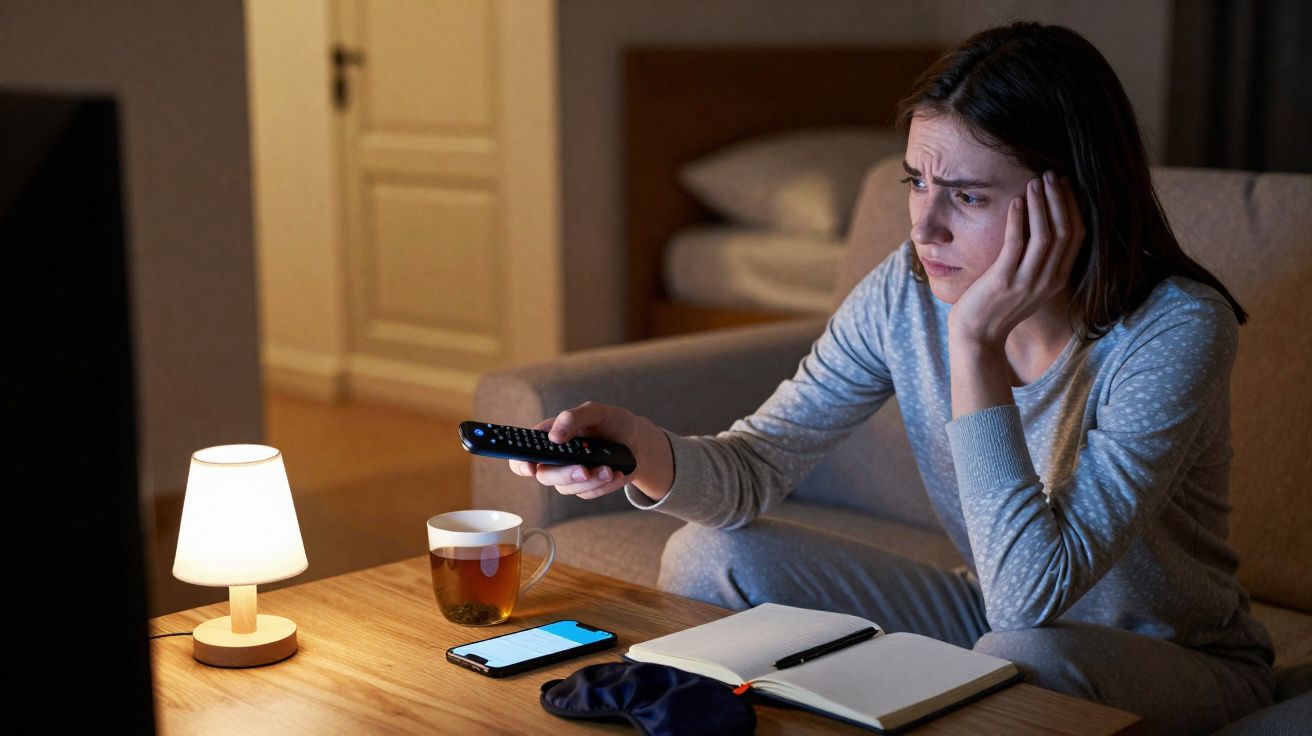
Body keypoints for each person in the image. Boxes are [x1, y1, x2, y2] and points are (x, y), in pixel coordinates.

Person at [508, 22, 1274, 734]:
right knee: (708, 554)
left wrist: (974, 341)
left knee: (1028, 659)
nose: (924, 226)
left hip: (1174, 660)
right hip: (987, 612)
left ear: (1070, 200)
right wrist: (640, 447)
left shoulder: (1175, 329)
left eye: (968, 196)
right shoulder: (905, 288)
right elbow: (758, 467)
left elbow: (1031, 600)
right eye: (916, 182)